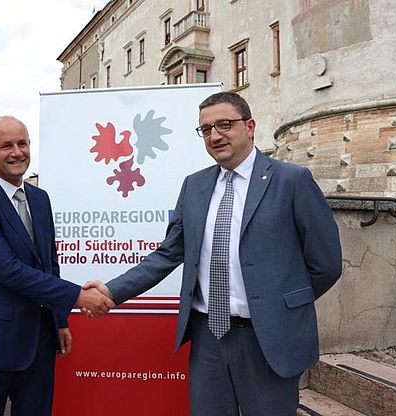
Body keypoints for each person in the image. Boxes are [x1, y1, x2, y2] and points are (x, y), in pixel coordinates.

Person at [85, 92, 342, 415]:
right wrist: (110, 290)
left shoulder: (291, 181)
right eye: (206, 129)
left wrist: (281, 305)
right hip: (208, 339)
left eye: (224, 125)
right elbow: (167, 255)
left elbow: (327, 264)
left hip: (267, 341)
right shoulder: (195, 186)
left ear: (250, 127)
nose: (215, 135)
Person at [0, 115, 114, 416]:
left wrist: (59, 320)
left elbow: (48, 263)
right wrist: (78, 297)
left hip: (39, 344)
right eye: (6, 145)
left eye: (22, 143)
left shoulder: (40, 198)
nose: (17, 152)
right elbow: (9, 271)